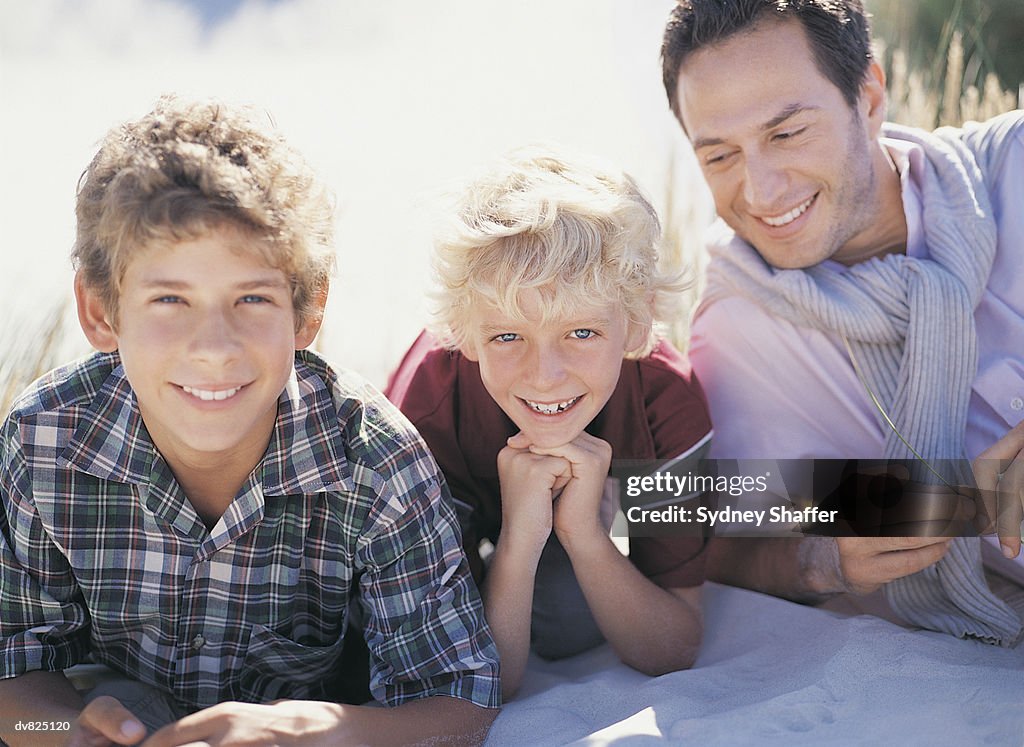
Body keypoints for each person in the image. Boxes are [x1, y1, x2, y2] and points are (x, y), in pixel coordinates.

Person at [0, 96, 500, 747]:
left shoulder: (376, 461)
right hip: (113, 707)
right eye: (169, 299)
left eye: (252, 297)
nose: (214, 345)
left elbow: (461, 700)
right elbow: (15, 675)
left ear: (308, 312)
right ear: (100, 313)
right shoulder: (44, 441)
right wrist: (68, 732)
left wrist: (321, 726)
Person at [660, 0, 1024, 644]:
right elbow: (681, 516)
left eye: (787, 133)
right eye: (720, 157)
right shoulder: (743, 330)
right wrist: (821, 558)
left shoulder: (1013, 171)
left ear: (870, 95)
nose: (762, 191)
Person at [386, 147, 712, 697]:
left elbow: (674, 648)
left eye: (581, 332)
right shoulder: (425, 410)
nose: (545, 377)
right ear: (465, 335)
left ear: (635, 326)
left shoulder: (664, 398)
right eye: (508, 336)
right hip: (451, 514)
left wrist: (581, 533)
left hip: (584, 526)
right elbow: (482, 684)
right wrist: (517, 538)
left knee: (567, 614)